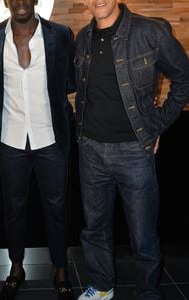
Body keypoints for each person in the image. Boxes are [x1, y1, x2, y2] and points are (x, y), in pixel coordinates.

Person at [74, 1, 189, 300]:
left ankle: (148, 293)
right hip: (90, 150)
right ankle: (101, 287)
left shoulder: (150, 32)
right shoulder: (82, 39)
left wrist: (157, 124)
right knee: (94, 229)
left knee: (143, 234)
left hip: (134, 152)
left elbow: (184, 79)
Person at [0, 0, 76, 299]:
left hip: (50, 137)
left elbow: (71, 81)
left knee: (57, 208)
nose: (21, 1)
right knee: (13, 209)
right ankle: (16, 267)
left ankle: (61, 269)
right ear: (6, 2)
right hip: (10, 138)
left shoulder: (61, 34)